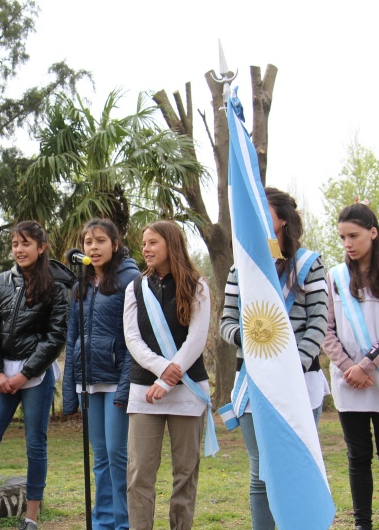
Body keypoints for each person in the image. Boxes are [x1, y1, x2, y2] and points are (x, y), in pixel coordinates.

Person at [219, 187, 330, 530]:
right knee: (260, 469)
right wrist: (251, 341)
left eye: (265, 213)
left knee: (297, 466)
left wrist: (291, 364)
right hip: (254, 382)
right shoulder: (242, 267)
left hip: (300, 381)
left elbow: (318, 321)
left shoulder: (310, 264)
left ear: (283, 220)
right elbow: (225, 323)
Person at [0, 220, 74, 530]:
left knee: (35, 445)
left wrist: (26, 373)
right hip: (1, 375)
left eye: (26, 244)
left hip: (36, 375)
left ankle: (30, 519)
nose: (19, 250)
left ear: (41, 247)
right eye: (15, 244)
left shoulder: (57, 286)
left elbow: (56, 335)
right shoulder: (0, 281)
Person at [322, 202, 379, 530]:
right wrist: (350, 367)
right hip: (348, 379)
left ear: (373, 234)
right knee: (358, 455)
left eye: (354, 236)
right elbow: (326, 329)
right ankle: (363, 524)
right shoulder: (333, 277)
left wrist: (368, 365)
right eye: (343, 237)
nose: (347, 243)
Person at [123, 220, 211, 530]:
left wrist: (168, 380)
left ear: (171, 245)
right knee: (138, 474)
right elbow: (132, 338)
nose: (145, 249)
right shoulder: (135, 287)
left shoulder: (197, 284)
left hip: (187, 389)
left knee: (185, 474)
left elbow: (197, 339)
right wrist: (161, 371)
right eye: (144, 243)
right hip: (144, 390)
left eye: (152, 243)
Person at [62, 218, 141, 530]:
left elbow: (134, 338)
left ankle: (123, 523)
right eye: (87, 242)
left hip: (118, 379)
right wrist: (71, 387)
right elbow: (72, 338)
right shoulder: (80, 286)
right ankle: (102, 522)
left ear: (115, 244)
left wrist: (125, 386)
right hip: (88, 382)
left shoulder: (130, 279)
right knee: (100, 458)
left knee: (116, 454)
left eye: (100, 241)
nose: (93, 248)